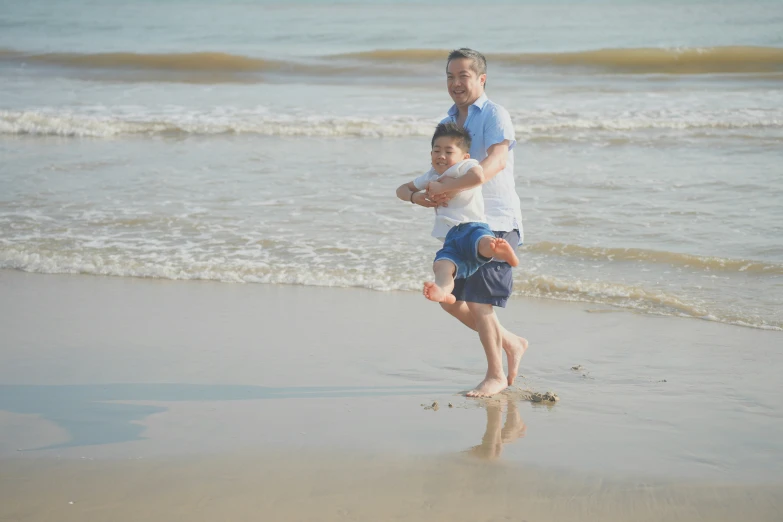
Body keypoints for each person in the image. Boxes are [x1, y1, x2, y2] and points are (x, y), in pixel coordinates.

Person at [397, 48, 528, 398]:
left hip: (495, 220)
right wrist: (422, 196)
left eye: (463, 76)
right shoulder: (449, 120)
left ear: (481, 79)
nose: (456, 83)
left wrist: (448, 187)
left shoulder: (495, 113)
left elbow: (496, 162)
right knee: (449, 300)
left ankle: (495, 375)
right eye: (450, 76)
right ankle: (512, 342)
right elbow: (438, 170)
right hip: (461, 224)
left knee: (482, 303)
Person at [396, 122, 519, 305]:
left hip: (472, 225)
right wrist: (415, 197)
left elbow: (478, 177)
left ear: (465, 156)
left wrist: (444, 187)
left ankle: (498, 250)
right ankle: (444, 292)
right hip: (450, 238)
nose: (442, 156)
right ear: (431, 155)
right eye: (436, 151)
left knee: (483, 242)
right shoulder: (430, 176)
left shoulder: (465, 166)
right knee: (441, 265)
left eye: (449, 151)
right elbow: (401, 190)